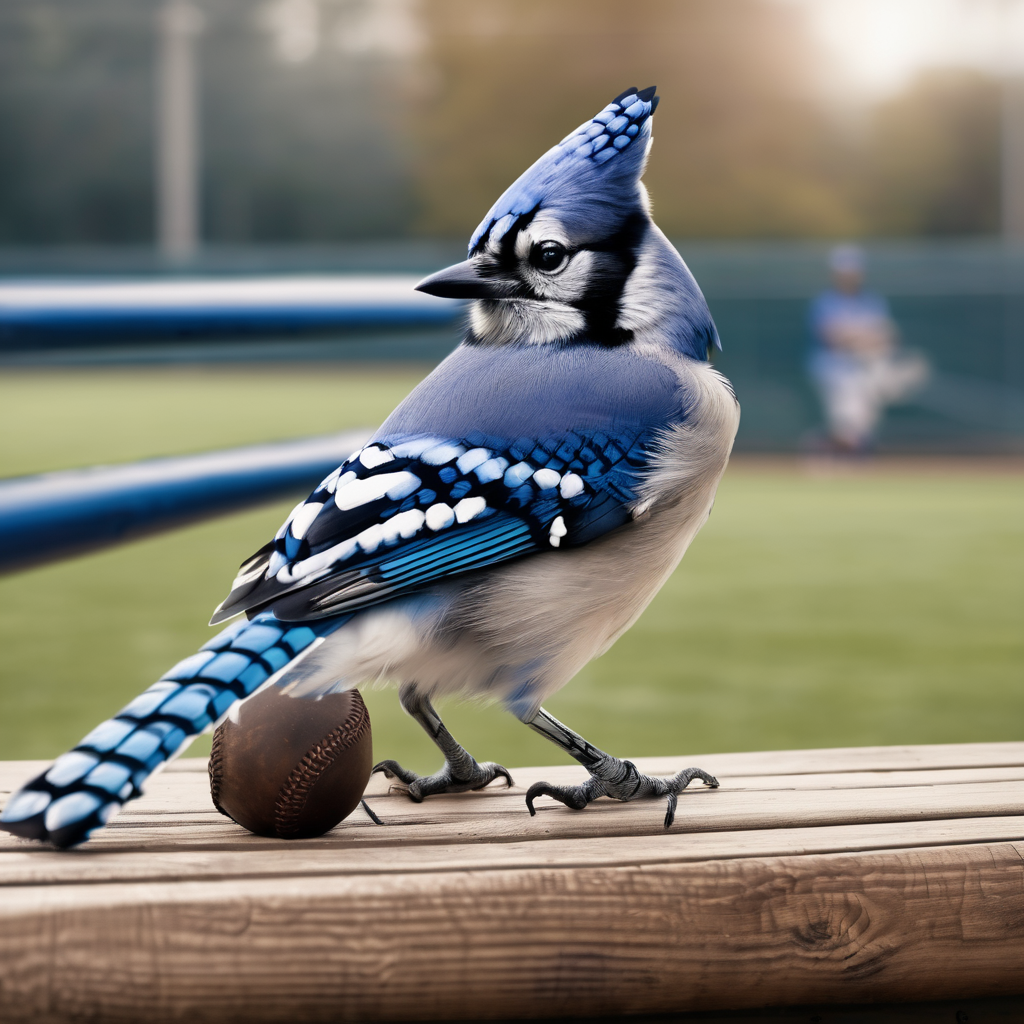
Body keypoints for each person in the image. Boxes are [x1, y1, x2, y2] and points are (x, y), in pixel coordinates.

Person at [808, 245, 928, 453]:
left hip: (866, 368)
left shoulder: (872, 301)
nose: (849, 276)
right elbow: (833, 338)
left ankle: (841, 456)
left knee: (863, 423)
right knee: (846, 420)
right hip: (835, 368)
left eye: (852, 272)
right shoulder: (826, 302)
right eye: (844, 272)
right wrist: (863, 338)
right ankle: (819, 448)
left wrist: (856, 338)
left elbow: (888, 337)